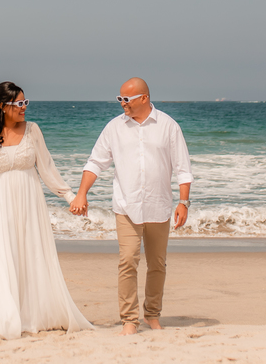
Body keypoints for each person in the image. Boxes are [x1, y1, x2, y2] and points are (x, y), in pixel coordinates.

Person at [0, 81, 94, 339]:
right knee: (1, 258)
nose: (24, 108)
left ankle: (31, 315)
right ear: (3, 106)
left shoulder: (33, 130)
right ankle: (5, 318)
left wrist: (70, 197)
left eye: (26, 103)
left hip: (29, 200)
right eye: (19, 104)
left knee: (29, 254)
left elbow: (46, 167)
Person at [69, 77, 192, 335]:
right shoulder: (114, 128)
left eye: (127, 99)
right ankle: (129, 319)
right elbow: (95, 163)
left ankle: (152, 314)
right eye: (120, 99)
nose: (122, 103)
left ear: (144, 98)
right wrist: (81, 193)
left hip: (159, 206)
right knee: (127, 261)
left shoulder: (168, 126)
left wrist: (183, 202)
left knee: (157, 263)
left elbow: (182, 168)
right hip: (126, 206)